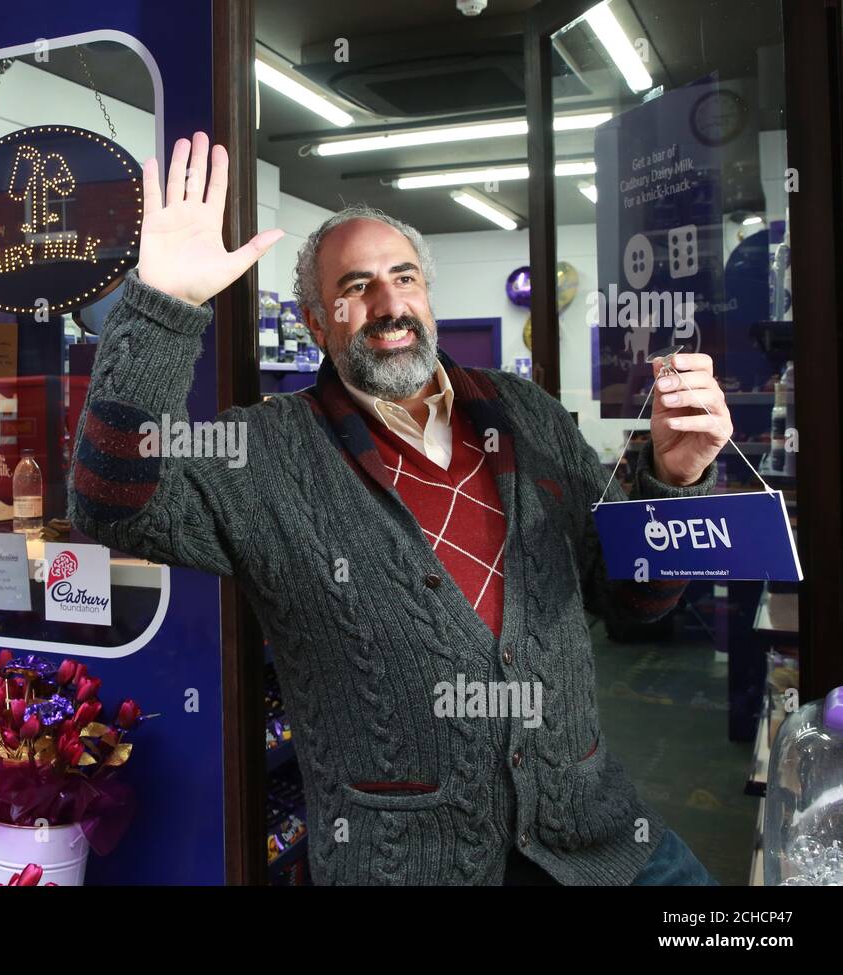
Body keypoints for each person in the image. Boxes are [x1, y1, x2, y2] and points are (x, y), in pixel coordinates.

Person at [68, 132, 731, 885]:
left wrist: (674, 478)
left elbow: (636, 600)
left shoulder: (527, 414)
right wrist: (163, 307)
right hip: (408, 865)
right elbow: (112, 501)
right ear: (318, 324)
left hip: (596, 840)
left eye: (404, 276)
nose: (388, 304)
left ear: (427, 296)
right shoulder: (263, 451)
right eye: (355, 286)